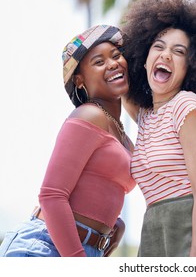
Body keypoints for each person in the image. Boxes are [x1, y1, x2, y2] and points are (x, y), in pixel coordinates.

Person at [0, 25, 136, 257]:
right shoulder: (89, 115)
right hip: (46, 247)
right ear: (80, 79)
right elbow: (51, 195)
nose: (113, 63)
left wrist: (115, 224)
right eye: (99, 61)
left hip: (84, 248)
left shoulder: (122, 135)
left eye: (116, 56)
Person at [120, 0, 196, 257]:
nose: (166, 55)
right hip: (154, 234)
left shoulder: (187, 105)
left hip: (192, 233)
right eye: (158, 47)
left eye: (179, 51)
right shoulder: (146, 116)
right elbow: (121, 80)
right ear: (145, 59)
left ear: (191, 66)